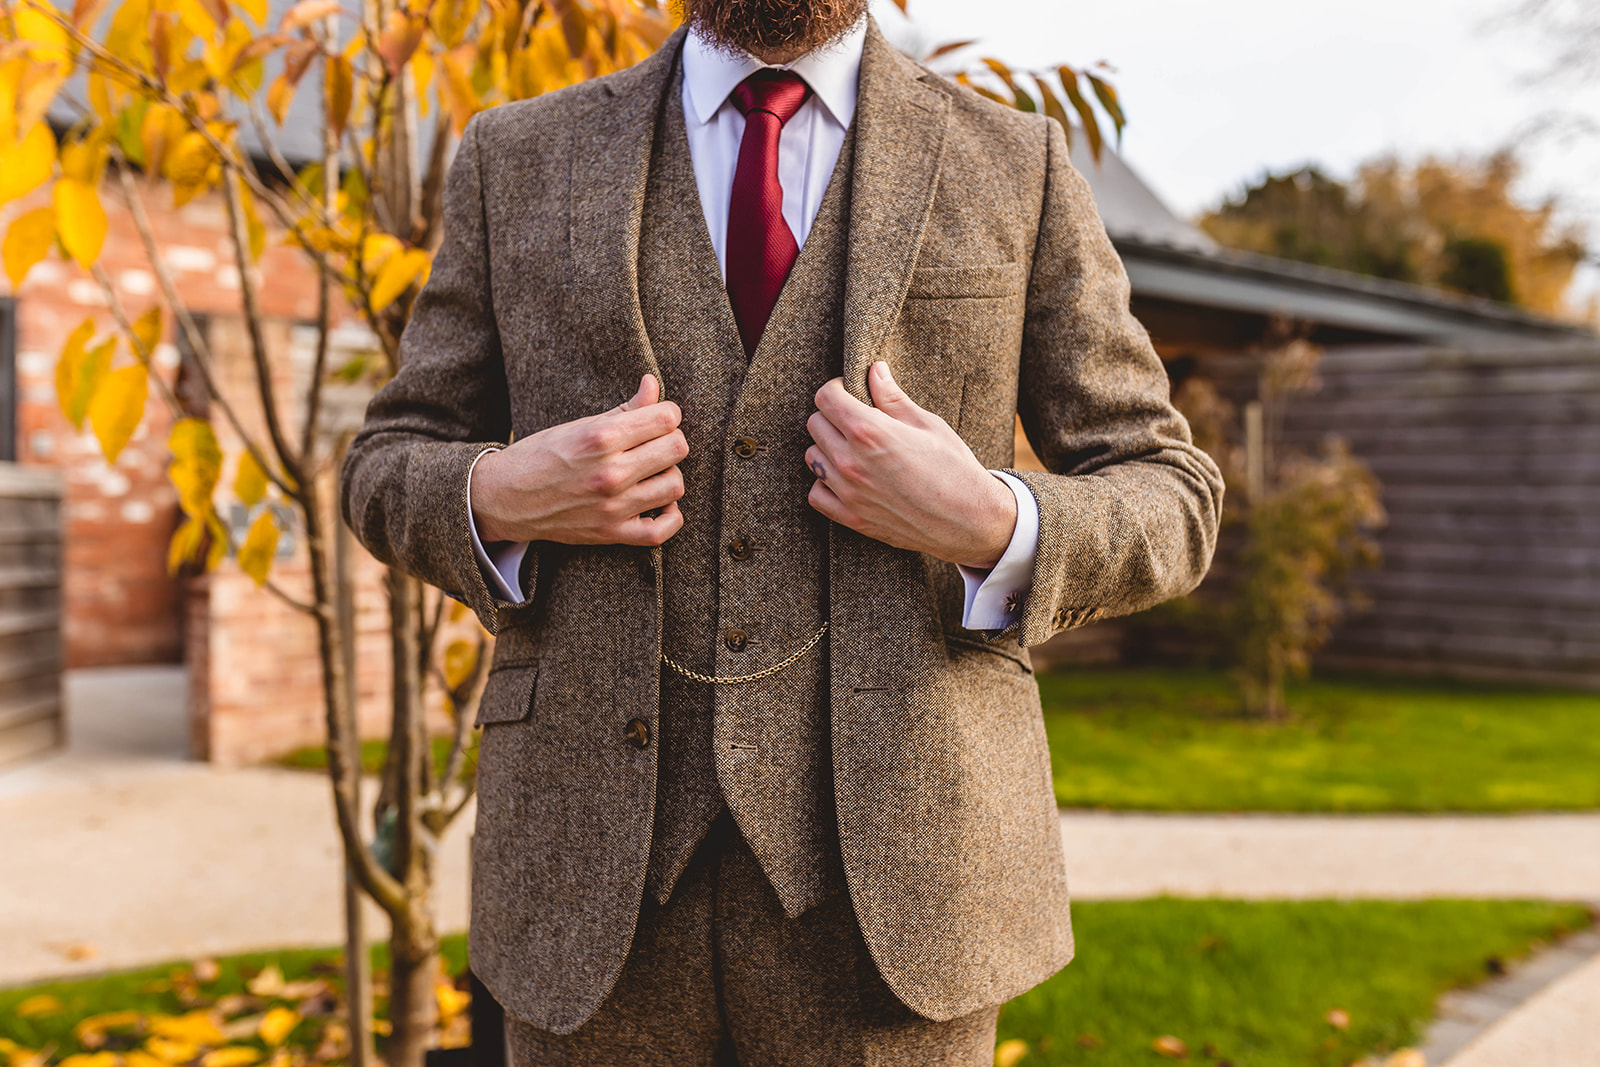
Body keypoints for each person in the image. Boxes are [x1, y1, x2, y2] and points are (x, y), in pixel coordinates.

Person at [338, 0, 1224, 1060]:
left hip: (904, 889)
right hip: (585, 876)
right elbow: (385, 463)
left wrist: (990, 517)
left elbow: (1172, 493)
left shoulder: (1012, 162)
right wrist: (502, 493)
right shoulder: (517, 156)